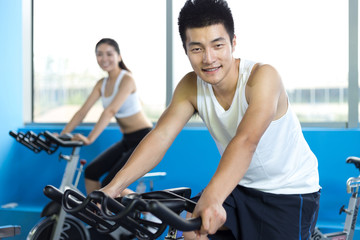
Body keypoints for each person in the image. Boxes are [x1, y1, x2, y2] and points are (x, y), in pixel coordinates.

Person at [100, 0, 321, 239]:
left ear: (233, 43)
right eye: (196, 49)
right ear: (186, 50)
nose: (208, 58)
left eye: (217, 45)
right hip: (242, 187)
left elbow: (247, 140)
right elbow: (161, 136)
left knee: (202, 214)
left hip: (289, 191)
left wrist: (213, 198)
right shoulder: (190, 86)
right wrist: (114, 186)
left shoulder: (263, 78)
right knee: (193, 230)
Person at [60, 38, 153, 195]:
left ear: (119, 56)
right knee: (91, 172)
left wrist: (89, 139)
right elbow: (82, 112)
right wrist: (62, 135)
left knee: (110, 184)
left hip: (144, 139)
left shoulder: (127, 79)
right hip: (127, 140)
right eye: (100, 54)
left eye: (109, 54)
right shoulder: (101, 84)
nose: (104, 59)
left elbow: (110, 110)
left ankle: (150, 213)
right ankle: (98, 216)